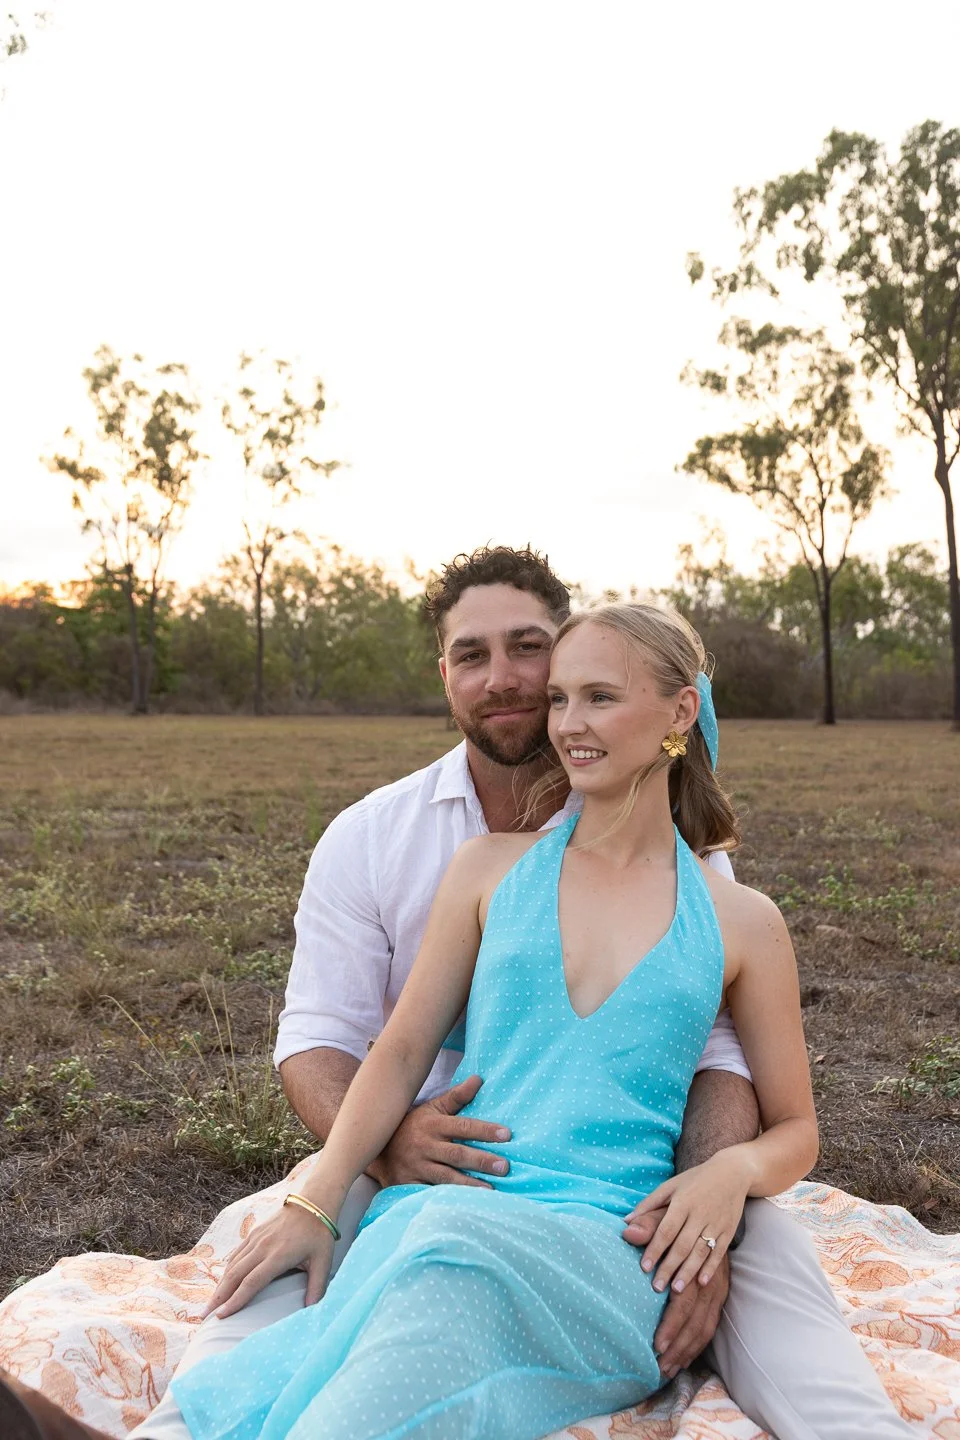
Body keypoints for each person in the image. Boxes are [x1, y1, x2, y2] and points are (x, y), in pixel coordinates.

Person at [0, 549, 910, 1440]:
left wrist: (724, 1180)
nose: (563, 718)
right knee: (375, 1270)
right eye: (562, 697)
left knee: (460, 1266)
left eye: (588, 691)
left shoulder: (738, 914)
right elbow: (383, 1046)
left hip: (618, 1234)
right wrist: (326, 1193)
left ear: (679, 713)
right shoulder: (463, 864)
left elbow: (777, 1110)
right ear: (445, 672)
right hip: (432, 1195)